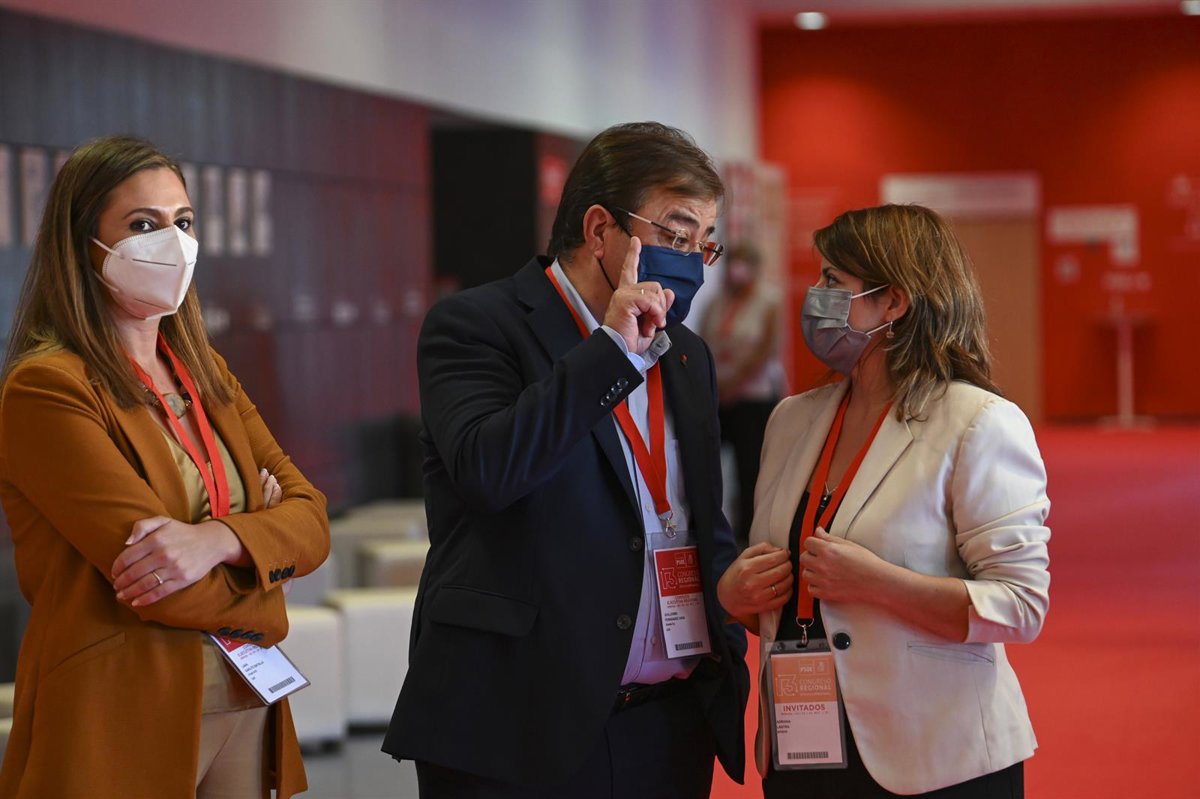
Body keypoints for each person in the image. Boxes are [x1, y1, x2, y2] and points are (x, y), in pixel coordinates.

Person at [383, 122, 748, 797]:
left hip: (668, 721)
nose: (693, 262)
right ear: (601, 229)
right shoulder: (478, 325)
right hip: (520, 722)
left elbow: (699, 519)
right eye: (675, 235)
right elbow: (491, 471)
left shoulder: (687, 356)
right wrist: (610, 351)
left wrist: (733, 624)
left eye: (705, 243)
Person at [0, 136, 329, 799]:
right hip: (122, 707)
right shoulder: (48, 387)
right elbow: (160, 584)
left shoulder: (205, 371)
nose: (173, 242)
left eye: (183, 221)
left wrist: (222, 539)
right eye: (143, 224)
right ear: (84, 245)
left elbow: (312, 519)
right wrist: (268, 571)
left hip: (245, 696)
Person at [718, 204, 1050, 798]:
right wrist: (735, 597)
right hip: (802, 750)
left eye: (832, 280)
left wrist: (879, 584)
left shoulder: (979, 422)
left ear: (893, 302)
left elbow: (1020, 606)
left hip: (937, 759)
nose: (814, 297)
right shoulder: (791, 420)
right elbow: (784, 589)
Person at [699, 243, 784, 546]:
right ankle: (710, 527)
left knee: (750, 469)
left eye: (744, 263)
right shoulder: (717, 302)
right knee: (706, 464)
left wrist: (734, 383)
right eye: (733, 262)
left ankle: (748, 534)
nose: (737, 270)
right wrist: (717, 387)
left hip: (753, 398)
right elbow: (703, 341)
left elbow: (765, 350)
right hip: (719, 397)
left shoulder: (768, 301)